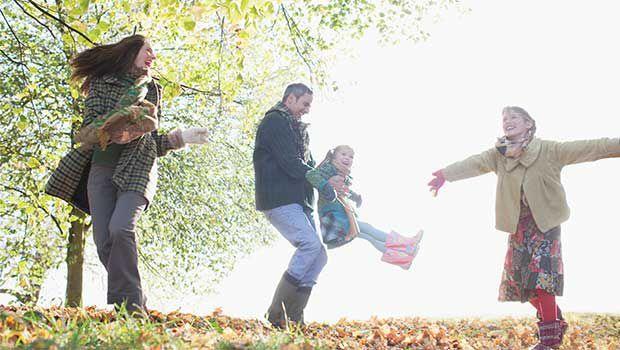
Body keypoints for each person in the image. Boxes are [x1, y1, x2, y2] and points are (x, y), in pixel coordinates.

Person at [427, 106, 620, 349]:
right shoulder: (498, 155)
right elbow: (474, 163)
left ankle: (548, 341)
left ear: (529, 124)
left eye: (514, 117)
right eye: (504, 118)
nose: (507, 121)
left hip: (545, 224)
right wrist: (446, 174)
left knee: (542, 280)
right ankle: (555, 319)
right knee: (521, 284)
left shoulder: (549, 150)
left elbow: (593, 147)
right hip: (518, 226)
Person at [45, 34, 209, 313]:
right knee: (104, 242)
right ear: (131, 51)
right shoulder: (101, 83)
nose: (153, 56)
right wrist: (113, 127)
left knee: (121, 229)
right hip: (101, 168)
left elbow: (152, 141)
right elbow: (88, 129)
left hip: (138, 169)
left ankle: (131, 307)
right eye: (148, 49)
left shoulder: (152, 89)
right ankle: (134, 303)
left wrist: (181, 138)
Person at [253, 83, 344, 327]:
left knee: (319, 256)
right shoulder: (275, 121)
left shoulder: (297, 129)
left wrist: (331, 178)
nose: (306, 110)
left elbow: (309, 164)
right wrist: (321, 184)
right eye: (304, 104)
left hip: (299, 200)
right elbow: (291, 162)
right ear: (290, 99)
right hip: (278, 197)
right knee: (310, 245)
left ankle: (294, 317)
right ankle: (276, 313)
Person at [305, 145, 423, 269]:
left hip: (340, 213)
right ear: (334, 156)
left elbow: (342, 190)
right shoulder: (329, 168)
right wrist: (326, 185)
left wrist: (355, 197)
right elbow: (311, 175)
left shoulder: (342, 174)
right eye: (343, 154)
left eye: (351, 156)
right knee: (368, 229)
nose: (347, 158)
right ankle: (407, 244)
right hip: (334, 216)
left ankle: (402, 260)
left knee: (368, 236)